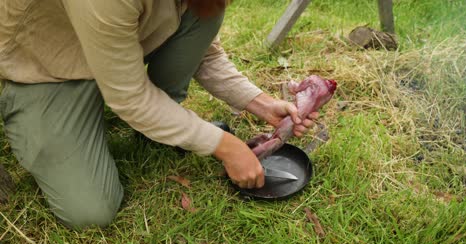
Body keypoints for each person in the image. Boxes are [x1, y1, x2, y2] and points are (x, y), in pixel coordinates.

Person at [0, 0, 317, 228]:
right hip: (48, 65)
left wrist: (260, 103)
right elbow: (129, 96)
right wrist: (225, 145)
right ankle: (37, 109)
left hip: (115, 51)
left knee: (204, 15)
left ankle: (158, 124)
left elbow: (205, 52)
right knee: (90, 211)